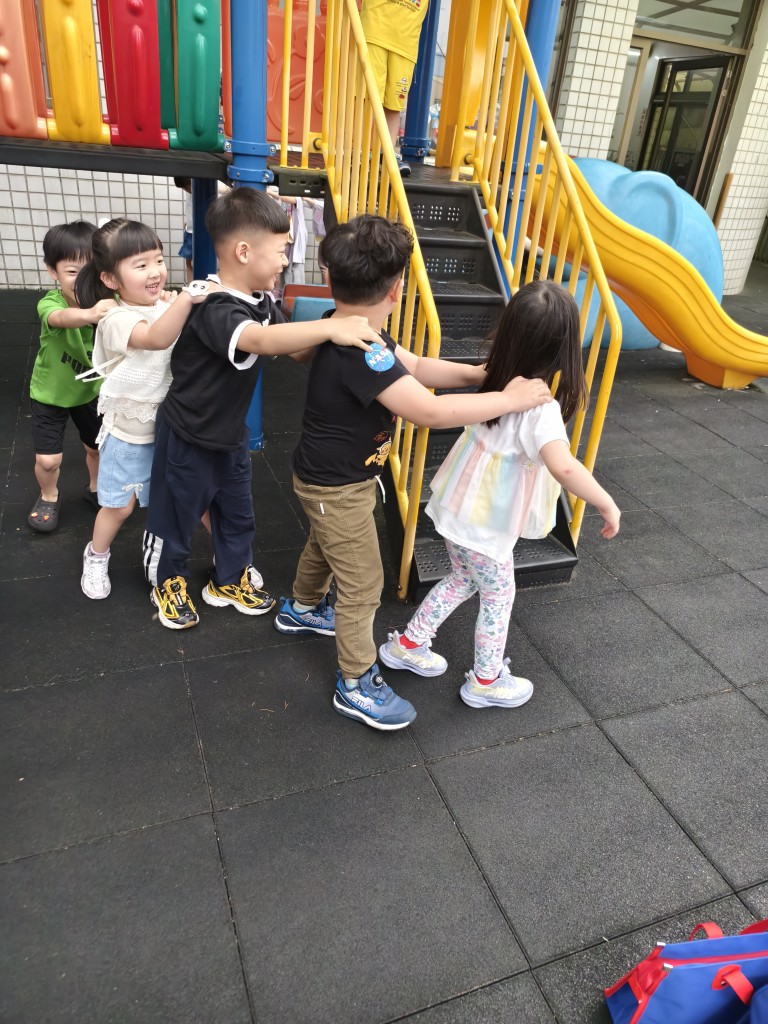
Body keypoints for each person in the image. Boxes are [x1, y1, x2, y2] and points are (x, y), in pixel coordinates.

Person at [273, 215, 553, 732]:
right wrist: (508, 399)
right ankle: (356, 682)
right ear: (397, 289)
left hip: (332, 480)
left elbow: (418, 367)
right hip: (337, 485)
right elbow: (429, 410)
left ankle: (303, 607)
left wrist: (480, 376)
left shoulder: (352, 326)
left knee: (326, 543)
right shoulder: (362, 354)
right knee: (363, 585)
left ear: (332, 279)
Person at [142, 187, 381, 630]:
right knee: (176, 513)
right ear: (244, 251)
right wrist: (331, 330)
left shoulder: (262, 301)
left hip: (230, 434)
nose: (286, 260)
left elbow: (296, 351)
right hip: (189, 433)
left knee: (237, 513)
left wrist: (337, 322)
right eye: (281, 250)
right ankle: (167, 580)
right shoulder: (217, 306)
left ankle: (229, 578)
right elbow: (261, 341)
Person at [378, 279, 621, 711]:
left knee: (462, 579)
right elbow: (564, 466)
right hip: (486, 527)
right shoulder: (540, 408)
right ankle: (486, 679)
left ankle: (409, 644)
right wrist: (606, 501)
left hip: (458, 512)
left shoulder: (497, 381)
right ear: (563, 349)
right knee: (498, 596)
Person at [75, 219, 217, 600]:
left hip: (174, 429)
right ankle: (96, 555)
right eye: (140, 265)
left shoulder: (165, 306)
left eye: (158, 260)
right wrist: (185, 300)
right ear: (110, 279)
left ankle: (229, 556)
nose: (155, 271)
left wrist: (178, 303)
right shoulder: (115, 319)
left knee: (197, 498)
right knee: (120, 507)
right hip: (130, 434)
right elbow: (155, 338)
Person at [28, 221, 116, 533]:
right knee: (49, 460)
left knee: (97, 448)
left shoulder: (108, 300)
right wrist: (90, 314)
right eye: (71, 271)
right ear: (52, 271)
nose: (81, 279)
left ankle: (96, 488)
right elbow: (59, 318)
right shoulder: (51, 302)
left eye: (89, 270)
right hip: (50, 394)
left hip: (91, 392)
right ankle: (49, 495)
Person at [360, 0, 431, 176]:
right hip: (376, 28)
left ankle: (388, 154)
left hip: (406, 40)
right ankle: (362, 151)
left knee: (394, 105)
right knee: (368, 98)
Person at [174, 177, 194, 284]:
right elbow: (189, 207)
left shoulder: (203, 189)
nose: (186, 189)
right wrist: (187, 221)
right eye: (184, 188)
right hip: (189, 231)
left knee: (201, 262)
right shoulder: (190, 191)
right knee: (188, 262)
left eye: (186, 187)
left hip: (203, 233)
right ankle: (190, 286)